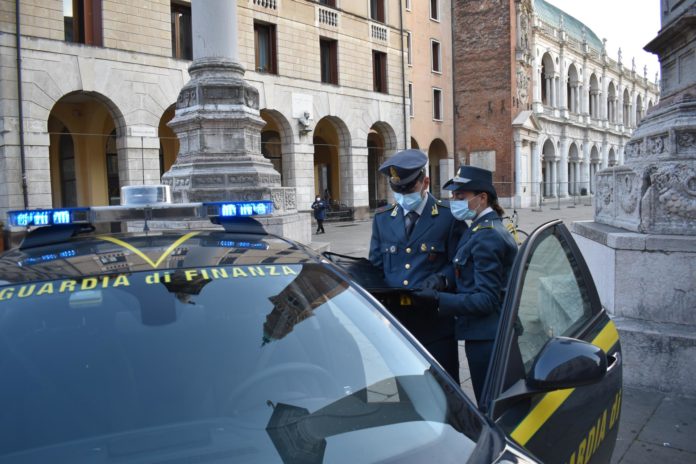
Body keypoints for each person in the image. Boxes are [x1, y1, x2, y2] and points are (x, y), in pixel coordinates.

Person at [413, 165, 518, 403]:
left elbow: (486, 299)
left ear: (482, 198)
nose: (454, 202)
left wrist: (439, 301)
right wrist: (443, 280)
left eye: (460, 197)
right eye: (452, 196)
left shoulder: (487, 236)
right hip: (485, 333)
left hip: (487, 338)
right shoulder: (481, 229)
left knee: (490, 403)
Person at [369, 149, 467, 382]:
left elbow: (459, 266)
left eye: (408, 188)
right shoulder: (382, 220)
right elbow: (375, 267)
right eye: (397, 190)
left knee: (443, 390)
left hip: (435, 324)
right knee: (401, 390)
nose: (402, 195)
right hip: (395, 325)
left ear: (425, 182)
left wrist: (440, 280)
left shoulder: (448, 217)